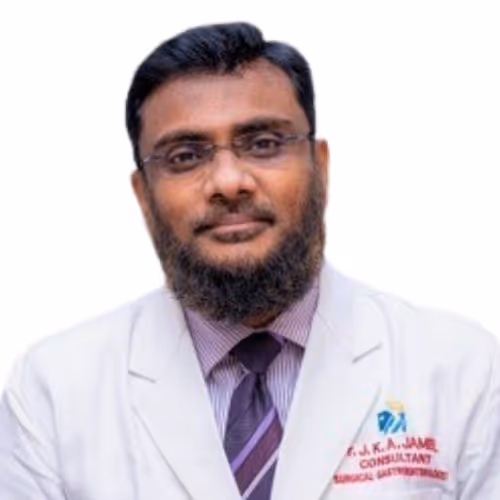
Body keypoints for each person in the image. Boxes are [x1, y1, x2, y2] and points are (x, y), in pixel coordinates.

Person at [0, 21, 499, 500]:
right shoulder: (52, 393)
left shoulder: (462, 370)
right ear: (143, 196)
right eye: (185, 156)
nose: (228, 182)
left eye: (263, 144)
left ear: (321, 168)